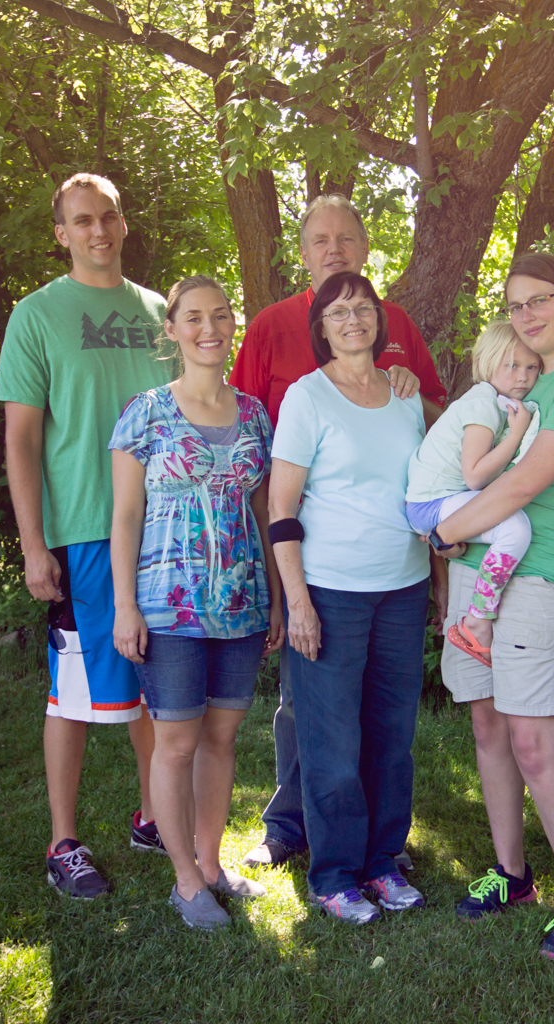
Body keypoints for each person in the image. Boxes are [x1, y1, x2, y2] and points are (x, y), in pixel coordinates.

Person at [231, 194, 447, 870]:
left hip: (389, 562)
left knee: (372, 711)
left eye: (345, 239)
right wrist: (277, 579)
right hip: (293, 534)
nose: (334, 250)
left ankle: (373, 841)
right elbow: (243, 429)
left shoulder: (396, 324)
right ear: (302, 253)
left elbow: (432, 420)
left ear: (363, 247)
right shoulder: (270, 327)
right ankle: (291, 827)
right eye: (320, 240)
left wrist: (408, 378)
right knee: (308, 702)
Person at [430, 252, 554, 960]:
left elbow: (522, 487)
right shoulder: (524, 382)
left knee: (535, 740)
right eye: (515, 305)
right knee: (486, 726)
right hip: (476, 573)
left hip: (537, 574)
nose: (528, 315)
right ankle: (512, 873)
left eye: (540, 299)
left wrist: (443, 532)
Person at [0, 173, 170, 898]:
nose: (99, 230)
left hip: (168, 532)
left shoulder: (161, 311)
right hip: (85, 533)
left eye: (109, 217)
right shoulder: (36, 316)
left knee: (160, 687)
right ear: (62, 233)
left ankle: (155, 817)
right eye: (82, 221)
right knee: (74, 692)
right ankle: (63, 841)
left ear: (124, 225)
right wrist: (35, 545)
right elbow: (22, 442)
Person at [108, 275, 283, 930]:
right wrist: (125, 605)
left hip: (241, 605)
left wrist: (279, 599)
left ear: (231, 325)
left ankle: (212, 866)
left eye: (220, 316)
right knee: (174, 744)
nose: (209, 328)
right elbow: (125, 517)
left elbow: (265, 515)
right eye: (194, 318)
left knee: (221, 738)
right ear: (173, 330)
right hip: (167, 608)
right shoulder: (146, 411)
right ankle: (184, 881)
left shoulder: (256, 416)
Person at [268, 271, 431, 923]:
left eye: (363, 308)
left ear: (379, 320)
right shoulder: (308, 398)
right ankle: (333, 873)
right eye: (339, 311)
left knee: (392, 736)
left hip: (404, 587)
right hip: (331, 591)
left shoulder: (404, 396)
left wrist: (441, 582)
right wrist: (298, 601)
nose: (353, 318)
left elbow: (426, 490)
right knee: (332, 741)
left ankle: (382, 863)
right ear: (321, 328)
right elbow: (281, 508)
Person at [405, 322, 543, 663]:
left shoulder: (495, 400)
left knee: (511, 526)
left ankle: (477, 617)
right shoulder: (483, 403)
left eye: (532, 367)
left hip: (438, 502)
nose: (523, 376)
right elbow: (474, 476)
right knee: (515, 527)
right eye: (511, 366)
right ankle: (477, 622)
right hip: (432, 503)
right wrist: (515, 435)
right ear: (488, 363)